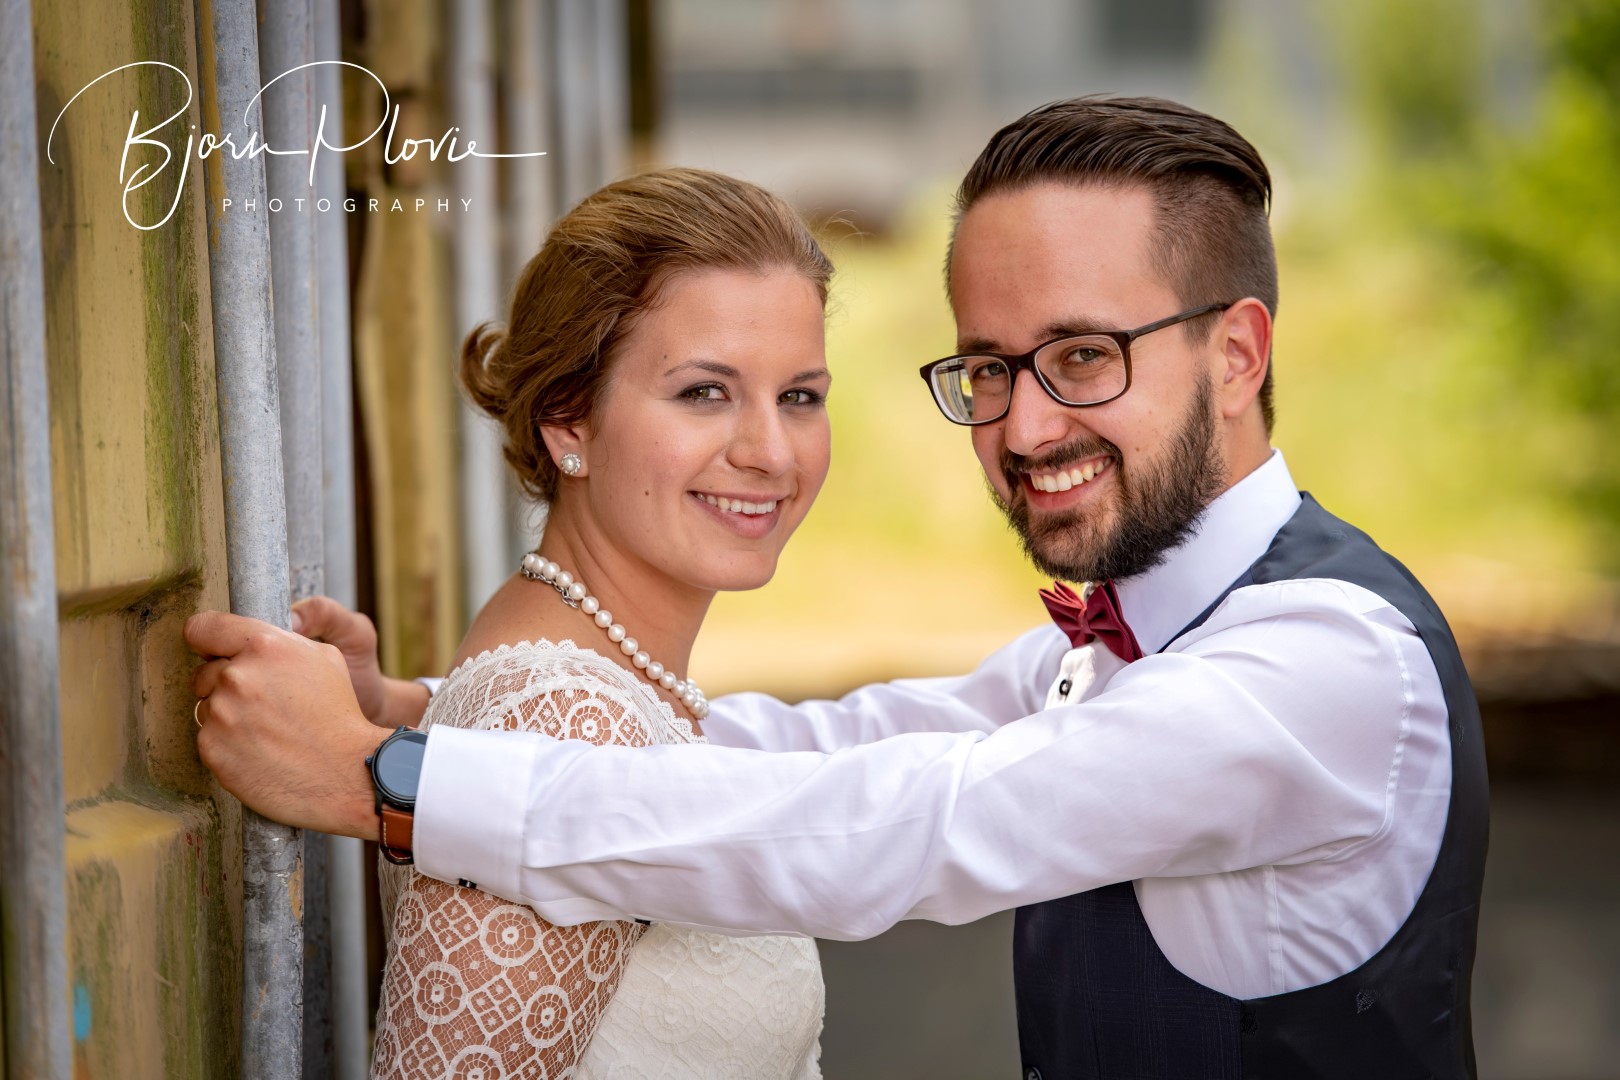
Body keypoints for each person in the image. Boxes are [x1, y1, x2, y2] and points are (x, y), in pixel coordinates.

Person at [188, 97, 1487, 1080]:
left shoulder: (1323, 664)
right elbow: (849, 744)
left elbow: (910, 819)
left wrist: (383, 784)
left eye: (1084, 356)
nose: (1025, 427)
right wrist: (423, 712)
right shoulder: (1133, 644)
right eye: (989, 369)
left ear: (1239, 355)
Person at [198, 167, 837, 1077]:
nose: (771, 452)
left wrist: (404, 705)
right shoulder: (561, 715)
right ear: (567, 420)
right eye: (705, 392)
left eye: (800, 396)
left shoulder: (602, 685)